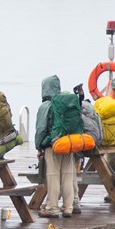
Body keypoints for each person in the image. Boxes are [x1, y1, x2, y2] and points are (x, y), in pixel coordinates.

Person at [35, 75, 76, 218]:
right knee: (67, 176)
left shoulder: (45, 106)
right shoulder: (65, 103)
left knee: (53, 177)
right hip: (69, 143)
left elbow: (41, 129)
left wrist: (39, 146)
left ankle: (52, 208)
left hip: (52, 146)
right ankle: (68, 207)